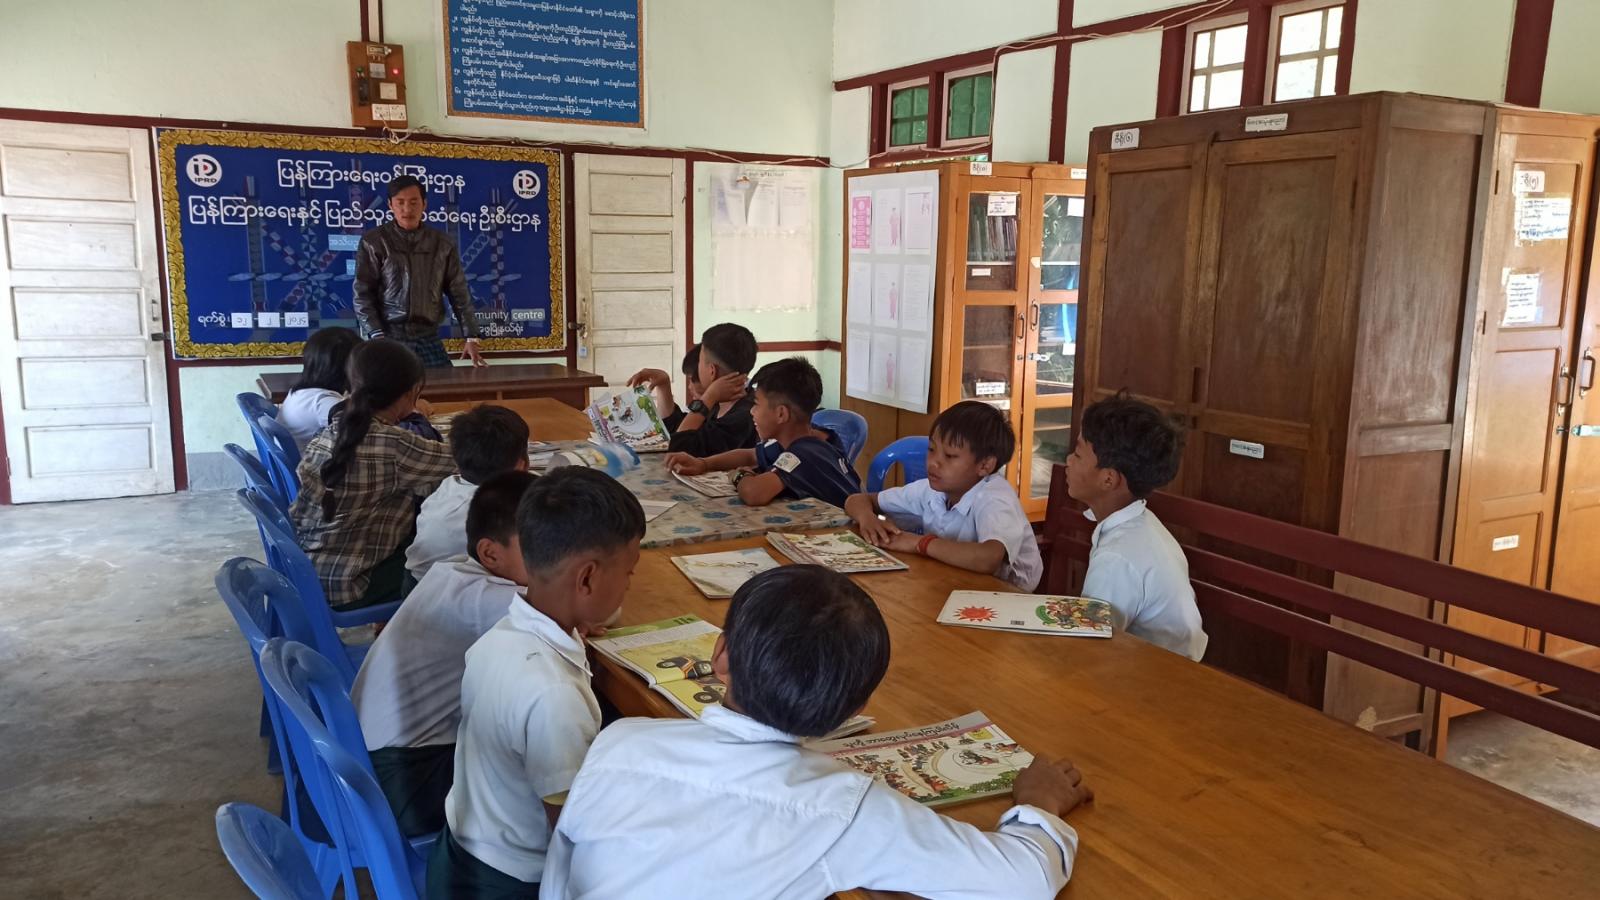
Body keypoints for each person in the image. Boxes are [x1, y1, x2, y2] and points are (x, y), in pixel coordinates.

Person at [541, 566, 1093, 899]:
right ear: (856, 707)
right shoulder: (844, 808)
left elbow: (560, 874)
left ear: (720, 656)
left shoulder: (622, 743)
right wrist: (1039, 805)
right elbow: (1021, 880)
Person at [427, 467, 645, 898]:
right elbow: (572, 836)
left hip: (462, 847)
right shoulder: (554, 696)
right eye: (630, 572)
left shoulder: (504, 633)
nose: (629, 584)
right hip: (506, 882)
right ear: (587, 577)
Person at [351, 470, 536, 837]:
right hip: (401, 782)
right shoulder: (485, 599)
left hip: (368, 759)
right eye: (540, 547)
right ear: (490, 552)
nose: (555, 559)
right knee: (545, 767)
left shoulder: (451, 570)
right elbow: (585, 607)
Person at [289, 340, 455, 609]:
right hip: (351, 584)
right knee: (452, 563)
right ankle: (411, 628)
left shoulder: (333, 429)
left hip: (311, 570)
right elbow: (465, 460)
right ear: (411, 393)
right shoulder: (392, 444)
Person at [1063, 395, 1206, 661]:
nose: (1069, 460)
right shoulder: (1141, 524)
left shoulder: (1118, 557)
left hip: (1160, 675)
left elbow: (1089, 648)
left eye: (1078, 454)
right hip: (1157, 664)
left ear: (1108, 479)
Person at [846, 401, 1043, 590]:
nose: (933, 462)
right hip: (954, 580)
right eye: (931, 450)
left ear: (985, 465)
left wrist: (920, 543)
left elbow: (989, 558)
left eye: (950, 456)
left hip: (1008, 596)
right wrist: (868, 519)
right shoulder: (931, 490)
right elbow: (857, 500)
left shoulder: (996, 498)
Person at [664, 357, 860, 508]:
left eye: (756, 404)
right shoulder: (800, 438)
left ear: (781, 414)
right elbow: (750, 455)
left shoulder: (804, 452)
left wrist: (739, 475)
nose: (751, 411)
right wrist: (703, 463)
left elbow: (754, 493)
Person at [354, 174, 487, 368]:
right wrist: (376, 334)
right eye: (400, 202)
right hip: (388, 337)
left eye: (414, 202)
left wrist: (471, 337)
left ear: (424, 204)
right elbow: (362, 293)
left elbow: (459, 292)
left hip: (428, 336)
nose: (407, 209)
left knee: (445, 387)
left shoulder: (442, 243)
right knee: (389, 387)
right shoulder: (373, 241)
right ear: (390, 205)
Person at [406, 404, 530, 587]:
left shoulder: (448, 486)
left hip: (416, 586)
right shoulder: (502, 512)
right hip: (453, 595)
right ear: (521, 466)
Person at [629, 323, 758, 456]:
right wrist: (664, 386)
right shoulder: (717, 405)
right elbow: (677, 429)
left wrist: (709, 397)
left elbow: (679, 448)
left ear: (712, 370)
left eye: (700, 361)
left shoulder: (744, 418)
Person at [276, 326, 360, 449]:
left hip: (296, 458)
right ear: (348, 367)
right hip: (308, 460)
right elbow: (363, 435)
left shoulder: (302, 392)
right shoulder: (326, 403)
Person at [628, 344, 703, 424]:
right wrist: (663, 386)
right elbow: (673, 425)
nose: (689, 386)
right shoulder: (695, 413)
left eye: (692, 379)